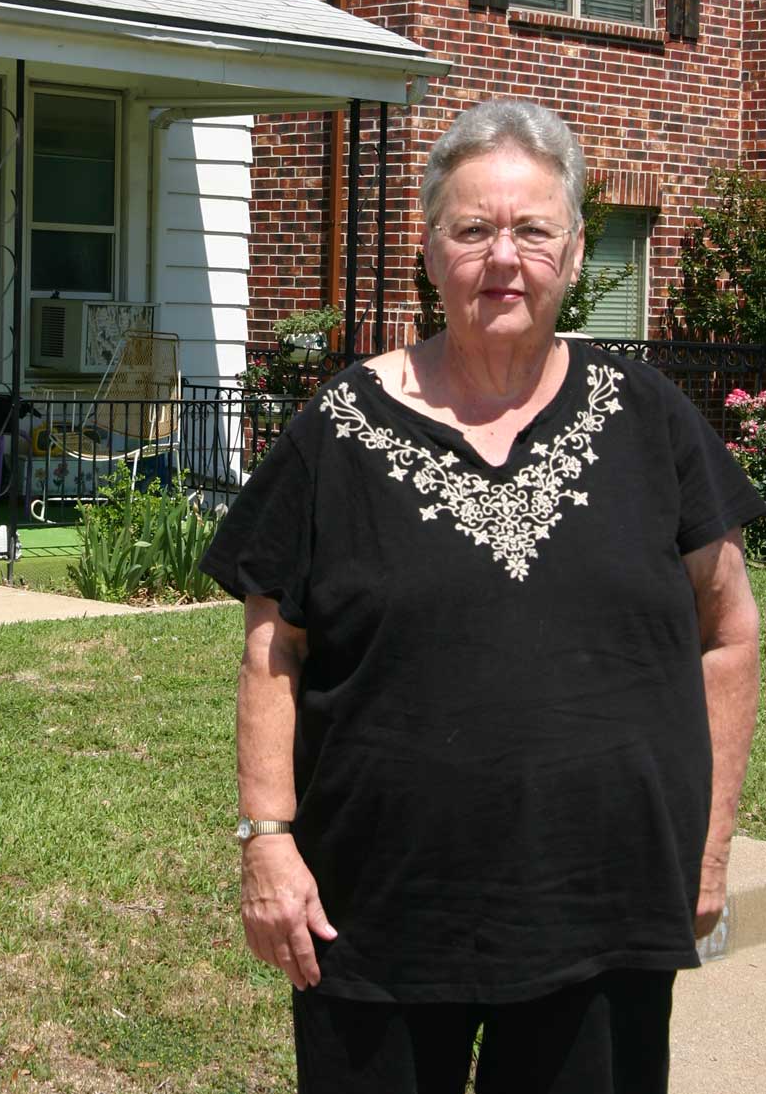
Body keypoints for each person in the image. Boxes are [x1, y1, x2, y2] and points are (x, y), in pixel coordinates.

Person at [200, 99, 763, 1094]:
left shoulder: (648, 419)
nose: (501, 258)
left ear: (576, 253)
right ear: (428, 252)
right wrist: (266, 843)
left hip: (603, 906)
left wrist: (707, 853)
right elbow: (269, 654)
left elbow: (726, 636)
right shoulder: (336, 430)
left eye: (531, 230)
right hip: (374, 913)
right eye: (471, 230)